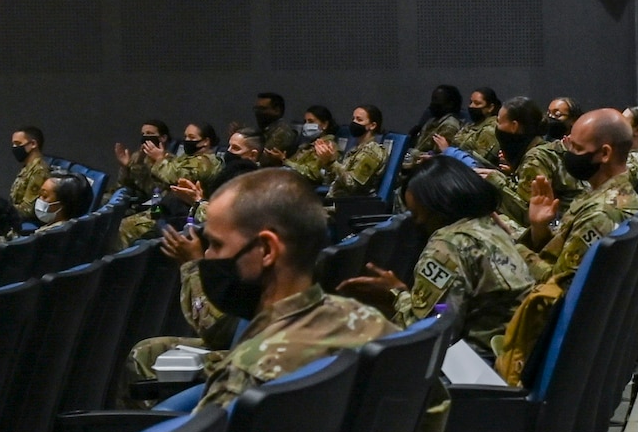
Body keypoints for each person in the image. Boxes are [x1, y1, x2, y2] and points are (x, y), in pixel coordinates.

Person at [176, 170, 400, 410]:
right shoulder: (375, 326)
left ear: (266, 250)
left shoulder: (244, 377)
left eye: (217, 244)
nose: (207, 255)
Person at [498, 110, 638, 382]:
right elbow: (563, 266)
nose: (569, 153)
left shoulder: (602, 215)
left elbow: (559, 290)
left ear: (604, 154)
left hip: (554, 338)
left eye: (577, 148)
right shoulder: (606, 196)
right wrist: (539, 228)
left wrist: (510, 242)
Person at [338, 155, 540, 359]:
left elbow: (430, 331)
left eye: (416, 215)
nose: (416, 223)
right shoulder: (491, 225)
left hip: (472, 366)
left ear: (436, 204)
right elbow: (448, 306)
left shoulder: (448, 245)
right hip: (510, 353)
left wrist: (396, 294)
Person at [328, 105, 391, 197]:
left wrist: (332, 162)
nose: (354, 122)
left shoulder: (372, 151)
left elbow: (352, 185)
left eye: (359, 120)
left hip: (350, 205)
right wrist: (327, 162)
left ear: (372, 125)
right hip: (336, 200)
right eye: (353, 119)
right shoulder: (355, 149)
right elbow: (335, 180)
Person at [284, 105, 342, 183]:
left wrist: (285, 161)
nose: (306, 125)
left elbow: (313, 174)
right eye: (305, 122)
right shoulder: (306, 146)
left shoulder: (328, 147)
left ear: (324, 124)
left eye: (311, 121)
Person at [9, 125, 54, 213]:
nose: (14, 147)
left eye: (18, 144)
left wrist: (2, 211)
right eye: (13, 144)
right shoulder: (27, 167)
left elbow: (28, 210)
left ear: (33, 144)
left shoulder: (39, 170)